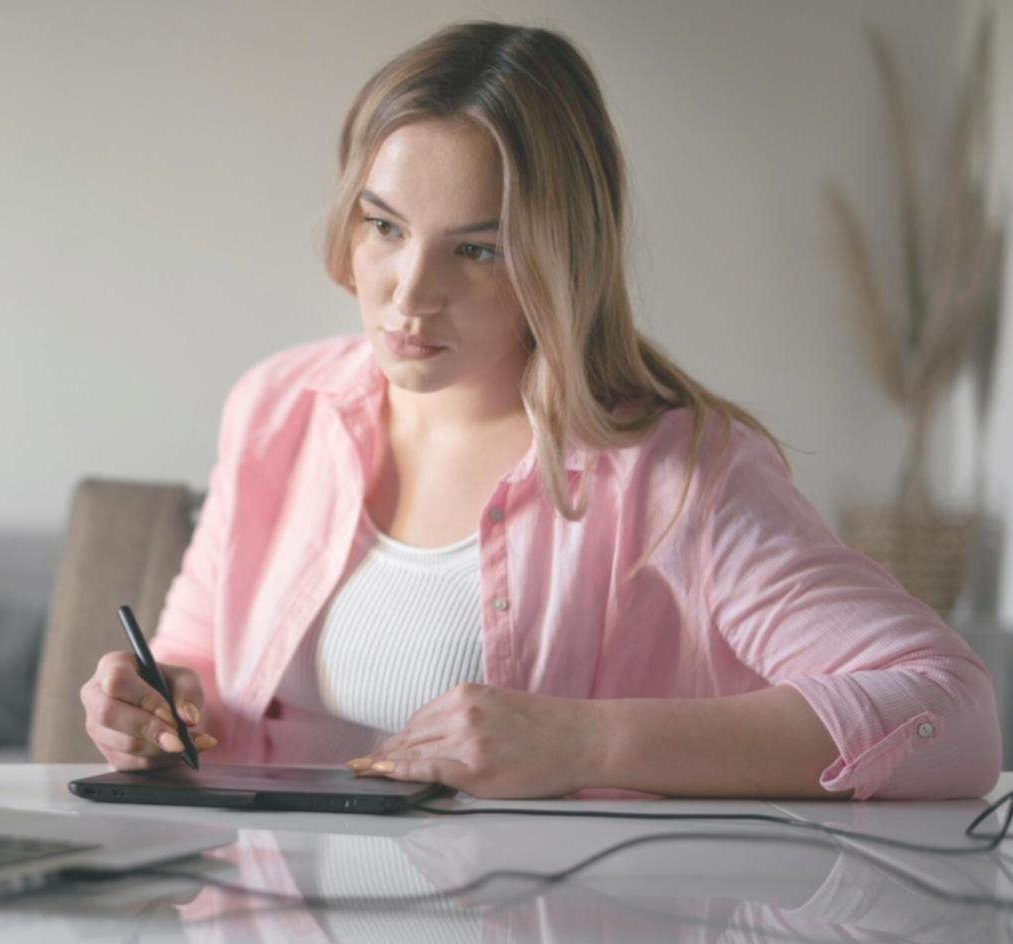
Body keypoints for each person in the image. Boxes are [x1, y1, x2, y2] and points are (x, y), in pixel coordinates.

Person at [78, 21, 1001, 799]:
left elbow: (949, 713)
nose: (408, 297)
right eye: (385, 227)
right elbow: (194, 648)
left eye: (475, 251)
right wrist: (156, 704)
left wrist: (587, 744)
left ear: (560, 261)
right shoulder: (278, 406)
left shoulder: (676, 473)